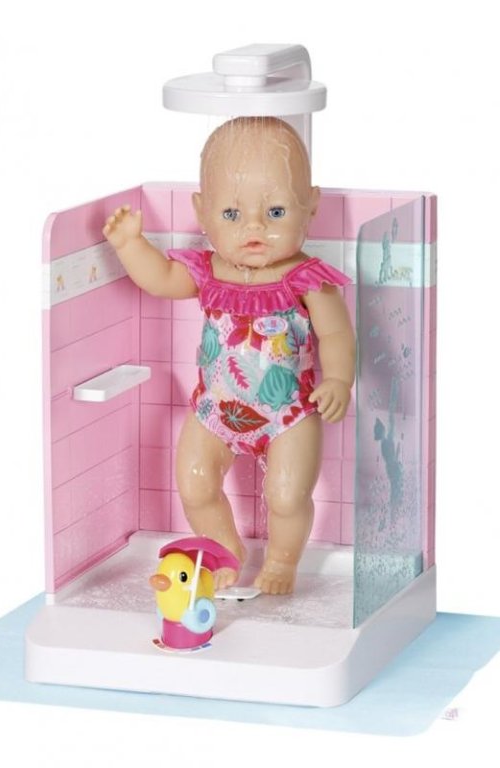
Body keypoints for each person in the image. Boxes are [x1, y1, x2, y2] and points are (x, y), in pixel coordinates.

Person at [103, 117, 354, 594]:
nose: (254, 227)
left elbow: (337, 333)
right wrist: (131, 245)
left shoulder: (307, 279)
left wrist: (339, 379)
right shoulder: (208, 271)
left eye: (276, 211)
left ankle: (281, 561)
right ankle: (225, 550)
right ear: (202, 211)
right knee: (195, 482)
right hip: (215, 410)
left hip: (289, 414)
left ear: (311, 205)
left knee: (287, 495)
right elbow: (161, 280)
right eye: (232, 214)